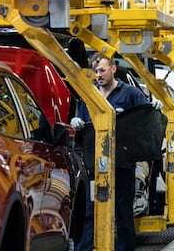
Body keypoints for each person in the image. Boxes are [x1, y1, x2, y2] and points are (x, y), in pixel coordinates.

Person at [71, 52, 162, 251]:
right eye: (95, 71)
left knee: (123, 211)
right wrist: (76, 121)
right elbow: (80, 119)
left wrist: (155, 107)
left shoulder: (129, 93)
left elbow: (145, 116)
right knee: (90, 210)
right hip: (96, 165)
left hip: (122, 163)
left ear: (113, 69)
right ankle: (86, 248)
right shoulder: (90, 95)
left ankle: (124, 248)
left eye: (102, 70)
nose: (98, 75)